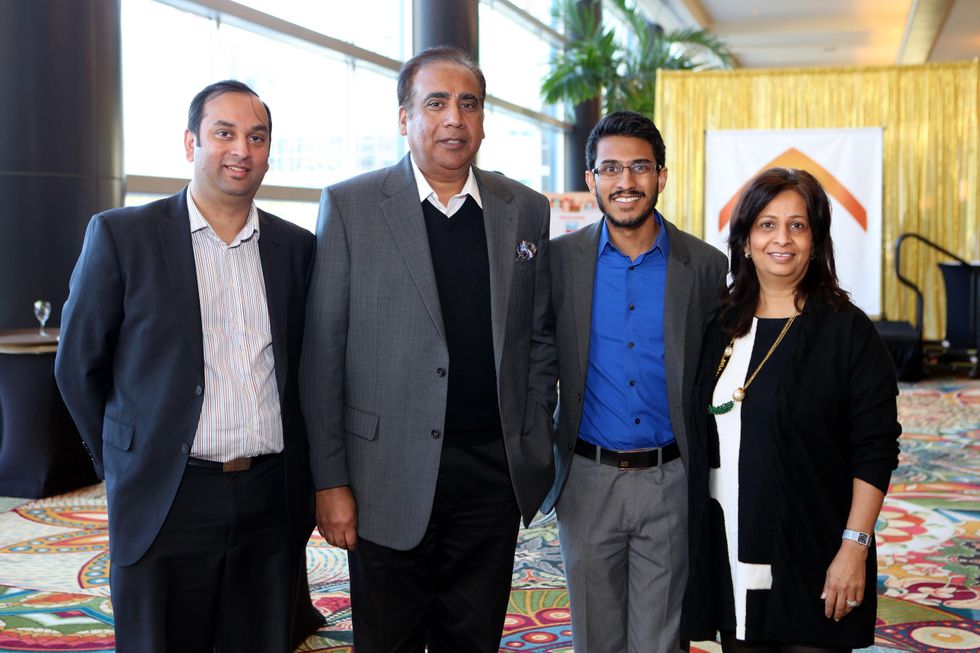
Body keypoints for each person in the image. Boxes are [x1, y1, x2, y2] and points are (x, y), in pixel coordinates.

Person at [299, 45, 556, 653]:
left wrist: (532, 435)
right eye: (435, 102)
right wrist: (330, 481)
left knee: (474, 637)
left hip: (491, 472)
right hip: (383, 475)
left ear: (484, 119)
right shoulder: (352, 205)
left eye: (469, 104)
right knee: (389, 639)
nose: (454, 119)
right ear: (404, 117)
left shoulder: (524, 209)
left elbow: (539, 336)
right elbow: (322, 354)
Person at [55, 80, 322, 652]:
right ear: (190, 143)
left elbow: (308, 372)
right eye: (223, 133)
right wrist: (127, 459)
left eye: (256, 136)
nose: (241, 150)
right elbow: (78, 367)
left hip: (269, 499)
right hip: (167, 496)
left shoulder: (297, 249)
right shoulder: (123, 236)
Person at [681, 168, 902, 652]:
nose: (782, 239)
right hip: (732, 553)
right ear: (744, 240)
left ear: (816, 239)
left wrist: (854, 548)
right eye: (766, 224)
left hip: (814, 552)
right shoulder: (720, 324)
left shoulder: (847, 333)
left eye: (797, 226)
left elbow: (876, 449)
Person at [540, 110, 728, 653]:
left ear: (662, 176)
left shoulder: (706, 267)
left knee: (660, 641)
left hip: (669, 478)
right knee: (594, 638)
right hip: (586, 478)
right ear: (591, 180)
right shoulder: (559, 262)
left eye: (640, 167)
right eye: (612, 169)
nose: (626, 182)